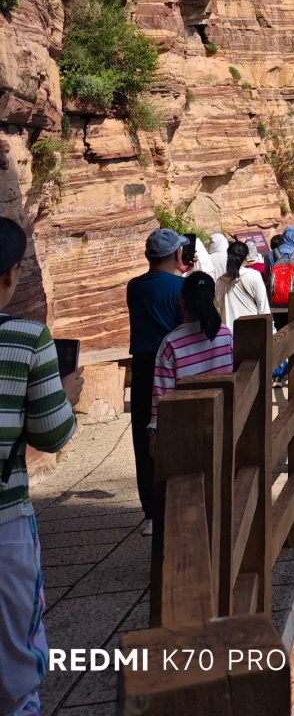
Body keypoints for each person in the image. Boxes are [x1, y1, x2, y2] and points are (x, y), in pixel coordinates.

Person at [0, 217, 76, 716]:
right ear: (9, 276)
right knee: (16, 654)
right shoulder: (27, 340)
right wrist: (67, 393)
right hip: (5, 521)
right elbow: (52, 433)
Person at [125, 228, 184, 532]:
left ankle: (150, 513)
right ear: (176, 255)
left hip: (144, 365)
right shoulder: (180, 287)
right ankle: (176, 501)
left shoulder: (134, 287)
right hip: (173, 364)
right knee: (175, 432)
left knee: (143, 436)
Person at [150, 272, 233, 432]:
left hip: (187, 428)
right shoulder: (225, 334)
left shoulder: (171, 343)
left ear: (181, 300)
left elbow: (162, 397)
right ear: (213, 297)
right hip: (223, 422)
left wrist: (155, 431)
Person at [215, 241, 270, 330]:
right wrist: (270, 330)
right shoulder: (254, 275)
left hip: (228, 333)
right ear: (247, 256)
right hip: (251, 330)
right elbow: (263, 306)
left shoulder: (220, 280)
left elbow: (218, 308)